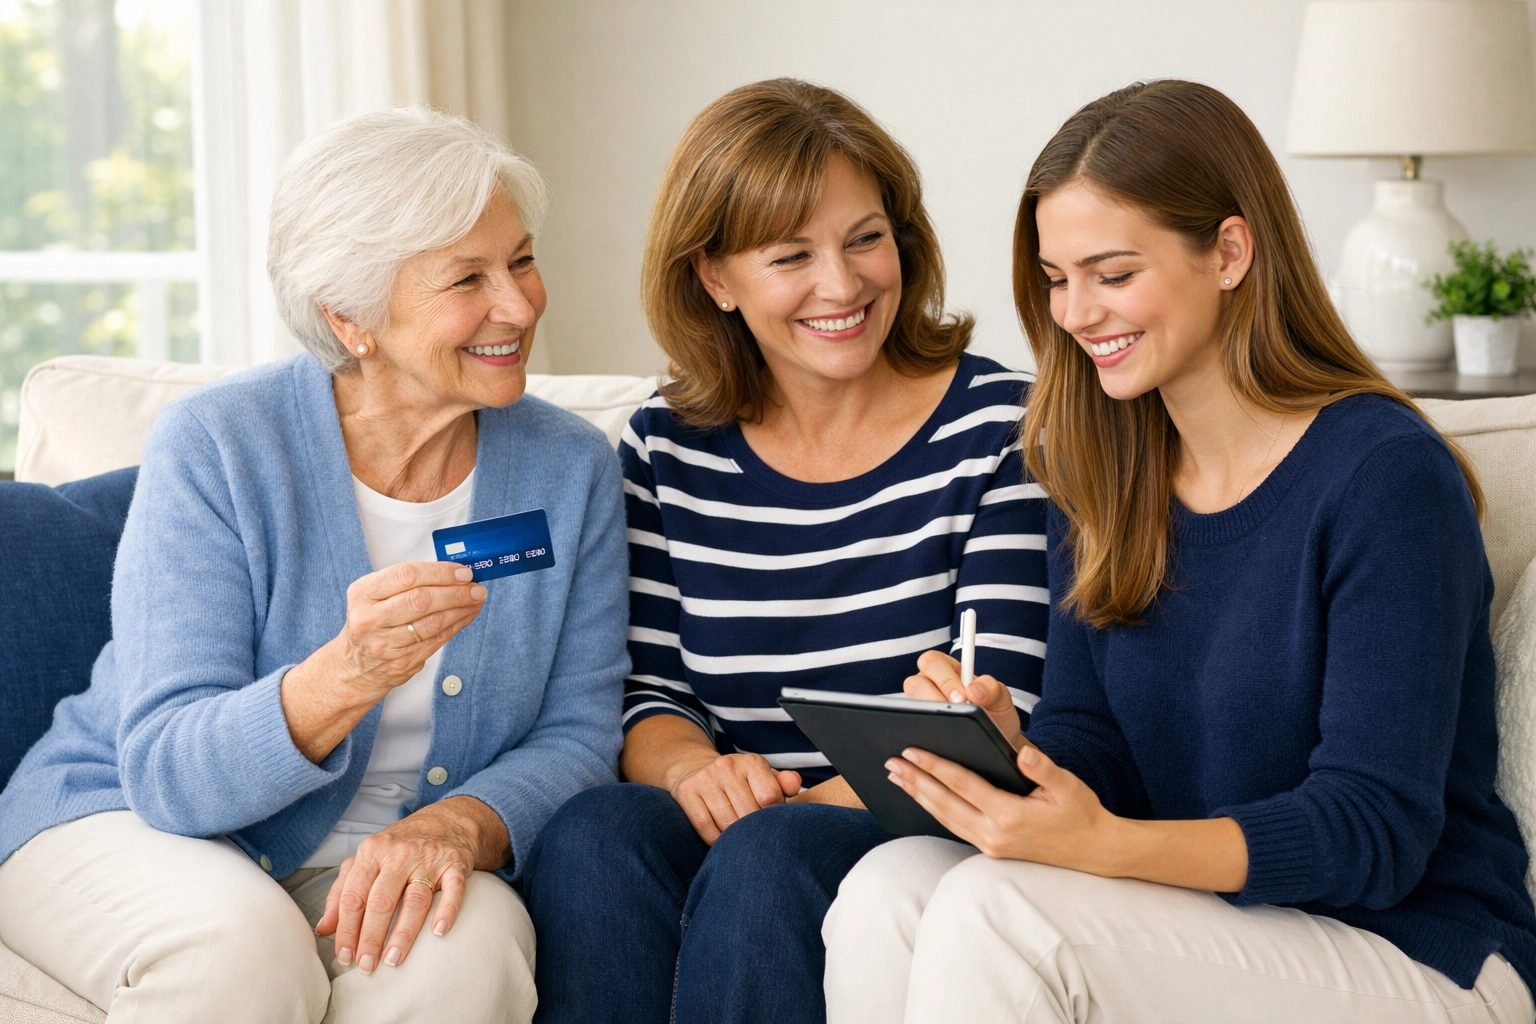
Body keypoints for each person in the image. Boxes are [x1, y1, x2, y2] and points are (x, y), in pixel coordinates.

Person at [822, 80, 1536, 1024]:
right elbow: (1097, 746)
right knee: (892, 885)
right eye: (1055, 277)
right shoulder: (1100, 472)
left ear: (1230, 251)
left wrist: (1099, 846)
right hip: (1212, 923)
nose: (1075, 314)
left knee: (999, 912)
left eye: (1112, 275)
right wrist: (1015, 755)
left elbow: (1374, 832)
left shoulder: (1384, 477)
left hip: (1420, 948)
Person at [0, 107, 629, 1024]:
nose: (521, 304)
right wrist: (344, 675)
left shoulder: (569, 469)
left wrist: (459, 825)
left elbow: (579, 734)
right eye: (469, 279)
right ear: (350, 317)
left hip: (394, 844)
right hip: (128, 820)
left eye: (522, 260)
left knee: (467, 948)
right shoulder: (219, 445)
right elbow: (170, 772)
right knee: (238, 950)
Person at [521, 79, 1049, 1024]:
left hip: (913, 821)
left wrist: (789, 811)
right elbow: (644, 692)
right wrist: (694, 773)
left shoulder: (999, 427)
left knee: (773, 856)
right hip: (741, 815)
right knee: (597, 831)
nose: (842, 286)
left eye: (864, 239)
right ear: (716, 278)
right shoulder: (665, 444)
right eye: (790, 256)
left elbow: (1007, 702)